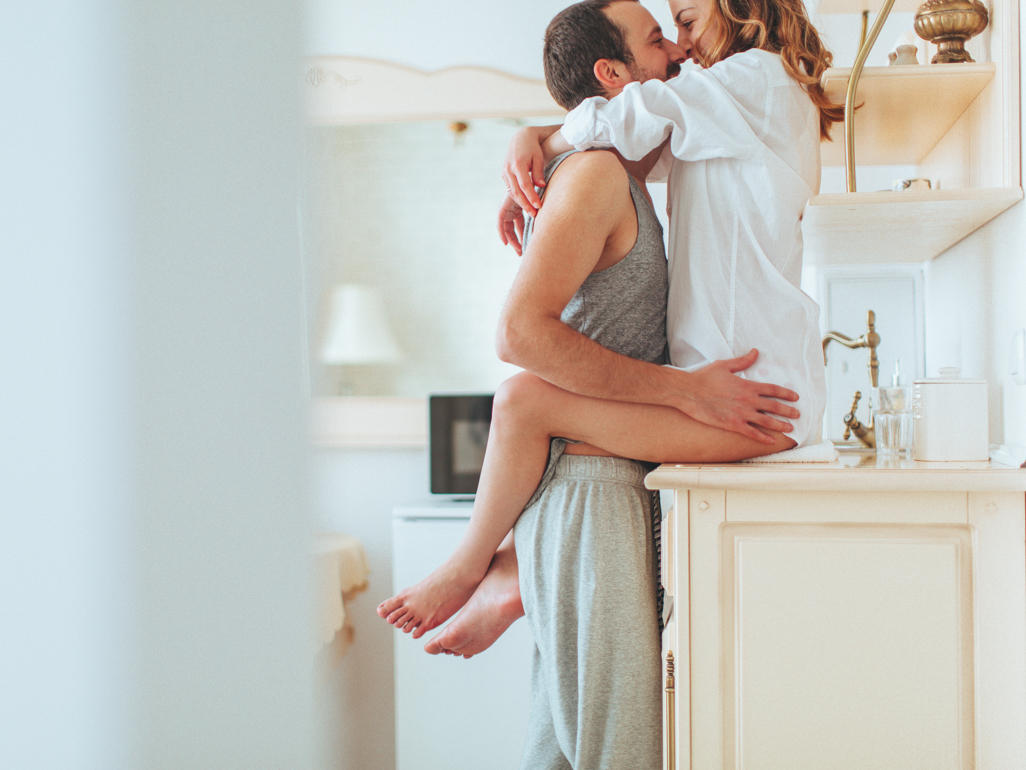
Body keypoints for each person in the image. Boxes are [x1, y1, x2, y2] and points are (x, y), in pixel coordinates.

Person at [379, 0, 839, 651]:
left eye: (684, 20)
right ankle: (510, 576)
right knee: (552, 428)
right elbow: (629, 136)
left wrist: (540, 141)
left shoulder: (755, 79)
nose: (680, 47)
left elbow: (629, 116)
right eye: (667, 32)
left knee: (522, 402)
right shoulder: (732, 100)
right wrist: (534, 138)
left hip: (754, 398)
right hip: (738, 390)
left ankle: (476, 568)